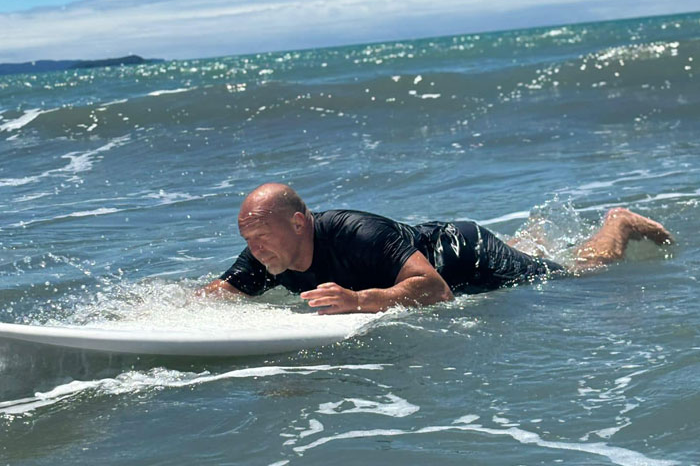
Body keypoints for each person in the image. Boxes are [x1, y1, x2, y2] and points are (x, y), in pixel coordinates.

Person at [206, 181, 672, 315]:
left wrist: (359, 301)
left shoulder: (356, 232)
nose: (255, 249)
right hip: (425, 248)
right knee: (533, 256)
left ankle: (619, 223)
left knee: (577, 272)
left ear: (298, 223)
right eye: (248, 240)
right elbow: (221, 292)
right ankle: (532, 236)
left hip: (466, 255)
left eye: (261, 237)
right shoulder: (266, 252)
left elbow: (436, 289)